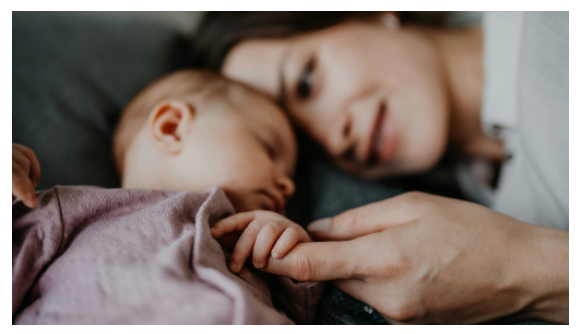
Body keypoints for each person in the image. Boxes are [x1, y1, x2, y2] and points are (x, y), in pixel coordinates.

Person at [193, 11, 569, 324]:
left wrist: (520, 270)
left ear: (373, 13)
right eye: (303, 143)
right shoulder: (476, 194)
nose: (334, 140)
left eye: (307, 81)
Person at [12, 70, 323, 324]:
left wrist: (289, 255)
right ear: (172, 127)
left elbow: (303, 312)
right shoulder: (72, 212)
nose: (288, 186)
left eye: (291, 176)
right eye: (268, 148)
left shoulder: (254, 254)